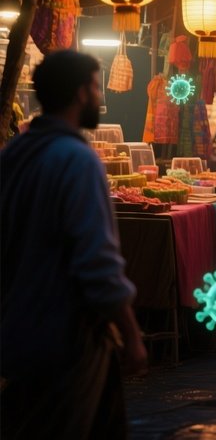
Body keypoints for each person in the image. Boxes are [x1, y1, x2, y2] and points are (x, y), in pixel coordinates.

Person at [0, 51, 147, 439]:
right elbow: (97, 263)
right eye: (97, 87)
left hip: (15, 329)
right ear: (82, 93)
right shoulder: (78, 160)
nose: (99, 97)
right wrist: (131, 335)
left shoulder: (14, 153)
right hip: (66, 336)